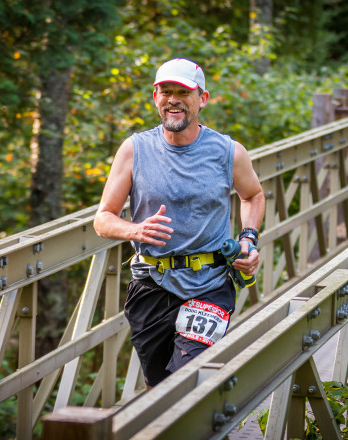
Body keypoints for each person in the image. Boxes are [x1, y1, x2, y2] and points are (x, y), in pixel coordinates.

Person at [93, 58, 265, 388]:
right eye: (166, 91)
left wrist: (248, 238)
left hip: (210, 284)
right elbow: (103, 219)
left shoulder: (229, 152)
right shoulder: (134, 150)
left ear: (202, 98)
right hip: (151, 285)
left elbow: (253, 195)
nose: (173, 99)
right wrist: (135, 229)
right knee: (159, 387)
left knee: (186, 382)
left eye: (183, 92)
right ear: (155, 97)